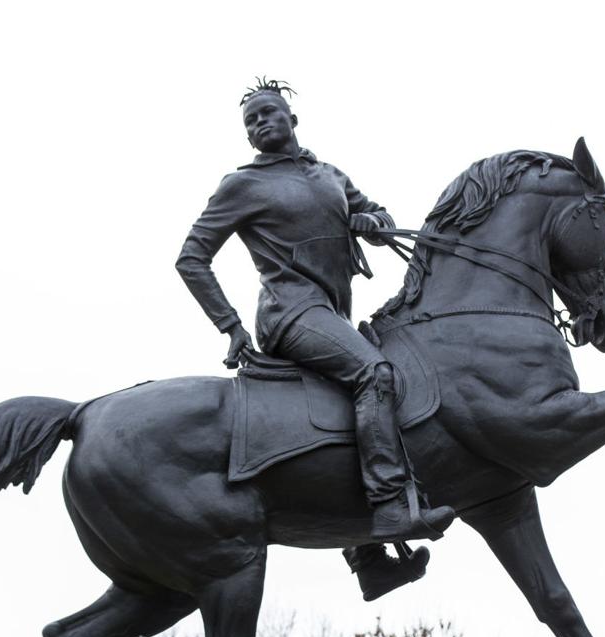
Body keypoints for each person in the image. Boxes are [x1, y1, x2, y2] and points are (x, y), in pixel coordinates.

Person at [176, 78, 452, 598]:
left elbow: (381, 215)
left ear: (292, 120)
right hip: (290, 314)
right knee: (374, 373)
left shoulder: (328, 175)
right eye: (250, 121)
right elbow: (191, 257)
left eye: (267, 113)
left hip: (333, 315)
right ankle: (392, 506)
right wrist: (230, 326)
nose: (259, 125)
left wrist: (371, 221)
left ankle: (368, 559)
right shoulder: (242, 185)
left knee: (348, 410)